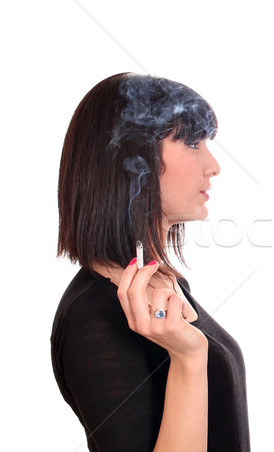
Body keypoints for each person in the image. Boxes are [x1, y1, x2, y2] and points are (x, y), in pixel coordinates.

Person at [52, 73, 250, 451]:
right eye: (192, 143)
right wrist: (188, 358)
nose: (213, 166)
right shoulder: (93, 317)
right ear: (128, 160)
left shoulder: (167, 287)